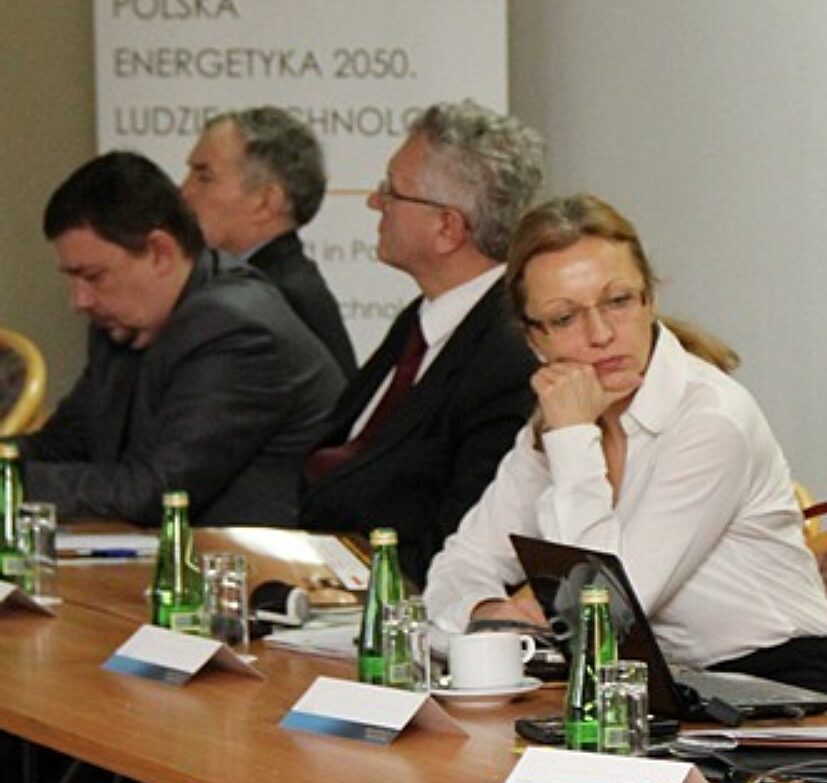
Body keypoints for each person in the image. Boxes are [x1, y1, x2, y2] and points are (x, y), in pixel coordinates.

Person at [425, 193, 827, 703]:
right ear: (533, 340)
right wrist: (490, 618)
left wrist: (572, 438)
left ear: (649, 300)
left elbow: (601, 617)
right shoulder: (557, 422)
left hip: (785, 692)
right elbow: (461, 563)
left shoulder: (710, 419)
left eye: (617, 302)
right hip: (658, 691)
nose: (600, 334)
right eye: (565, 318)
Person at [15, 151, 344, 526]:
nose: (80, 300)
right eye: (72, 279)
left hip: (262, 557)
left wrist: (10, 485)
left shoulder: (234, 328)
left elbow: (156, 492)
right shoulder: (124, 321)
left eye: (92, 276)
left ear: (160, 253)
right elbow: (65, 444)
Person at [298, 99, 543, 585]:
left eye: (392, 191)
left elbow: (458, 546)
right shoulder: (423, 317)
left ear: (448, 227)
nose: (375, 203)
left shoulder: (507, 358)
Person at [181, 106, 358, 378]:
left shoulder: (277, 299)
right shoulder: (268, 283)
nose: (184, 191)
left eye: (204, 177)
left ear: (265, 202)